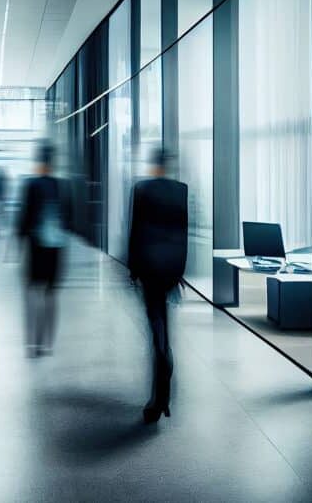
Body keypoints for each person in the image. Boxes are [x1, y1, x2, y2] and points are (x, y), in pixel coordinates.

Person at [127, 148, 188, 424]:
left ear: (153, 165)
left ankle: (159, 397)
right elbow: (183, 232)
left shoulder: (142, 189)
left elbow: (136, 231)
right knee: (163, 323)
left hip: (150, 267)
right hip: (171, 268)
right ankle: (163, 390)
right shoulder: (180, 190)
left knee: (157, 327)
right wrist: (180, 271)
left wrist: (133, 269)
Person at [17, 142, 72, 357]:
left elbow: (24, 218)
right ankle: (48, 342)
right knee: (50, 294)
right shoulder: (62, 186)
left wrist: (19, 242)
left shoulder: (31, 184)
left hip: (36, 248)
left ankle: (33, 343)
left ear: (39, 161)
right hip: (56, 249)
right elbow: (69, 220)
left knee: (33, 293)